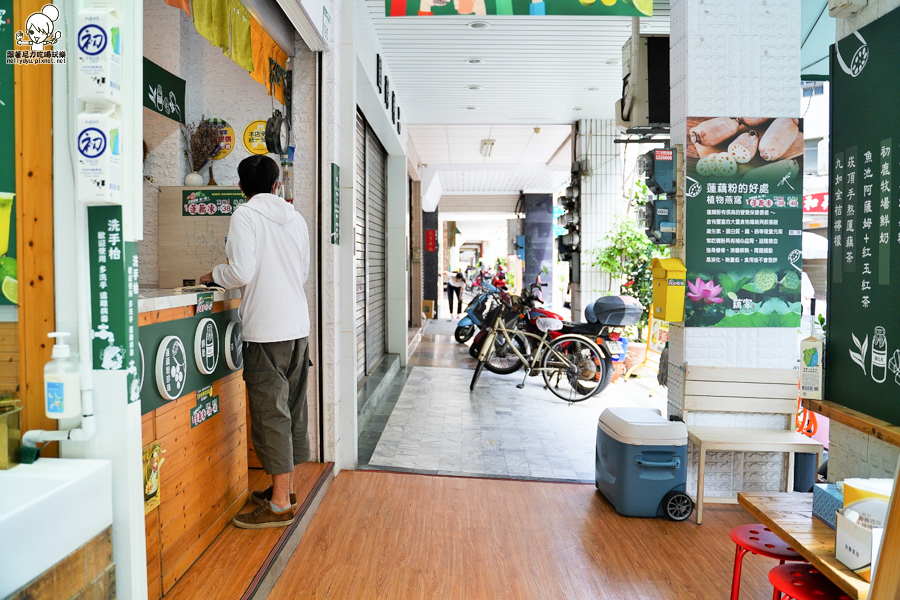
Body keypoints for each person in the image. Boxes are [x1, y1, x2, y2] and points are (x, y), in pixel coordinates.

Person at [200, 155, 310, 529]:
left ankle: (279, 504)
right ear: (277, 185)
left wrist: (213, 274)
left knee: (269, 415)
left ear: (242, 187)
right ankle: (287, 490)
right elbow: (303, 272)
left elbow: (241, 272)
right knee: (291, 409)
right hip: (298, 327)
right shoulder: (296, 217)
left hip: (266, 329)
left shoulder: (245, 215)